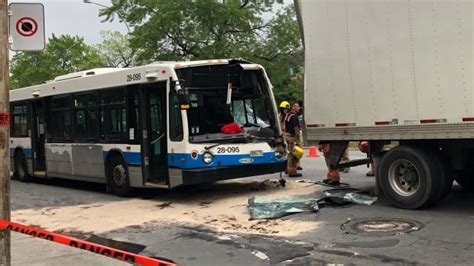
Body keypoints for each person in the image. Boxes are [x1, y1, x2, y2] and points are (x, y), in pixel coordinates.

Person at [284, 102, 303, 177]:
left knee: (290, 153)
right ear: (293, 107)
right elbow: (296, 128)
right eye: (297, 106)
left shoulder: (288, 115)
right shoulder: (294, 116)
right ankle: (292, 171)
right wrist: (298, 140)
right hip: (292, 137)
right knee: (294, 154)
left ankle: (288, 169)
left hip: (287, 136)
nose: (299, 108)